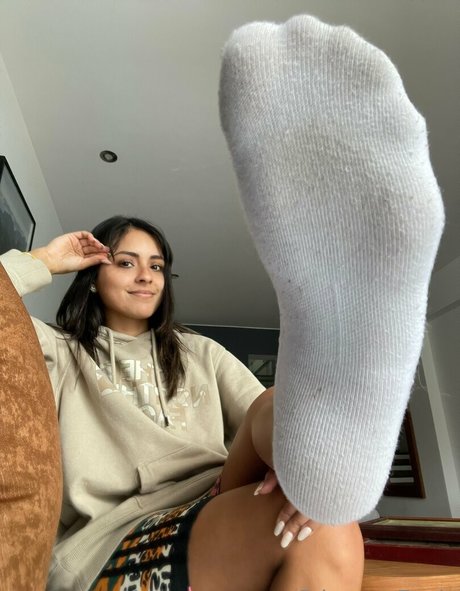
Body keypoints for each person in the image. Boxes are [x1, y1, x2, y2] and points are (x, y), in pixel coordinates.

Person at [0, 13, 444, 591]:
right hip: (118, 535)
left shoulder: (199, 352)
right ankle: (332, 483)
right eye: (125, 262)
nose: (145, 276)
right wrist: (45, 260)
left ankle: (325, 469)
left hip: (214, 491)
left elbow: (263, 418)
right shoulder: (57, 352)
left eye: (156, 266)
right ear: (90, 275)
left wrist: (290, 467)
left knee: (276, 409)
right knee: (327, 532)